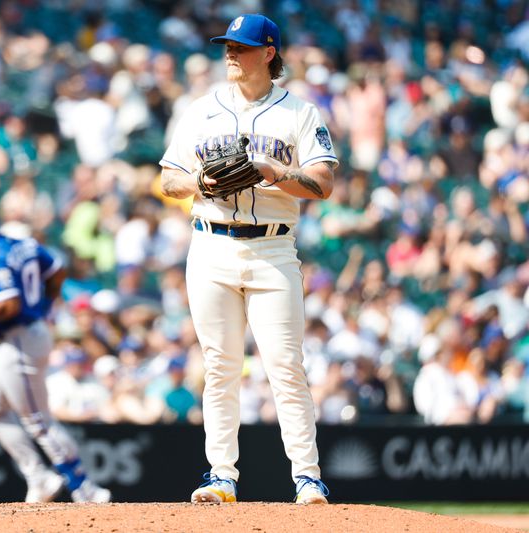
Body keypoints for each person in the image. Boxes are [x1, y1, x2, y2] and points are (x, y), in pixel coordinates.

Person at [159, 14, 338, 505]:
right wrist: (200, 183)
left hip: (273, 247)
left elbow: (323, 183)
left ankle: (307, 477)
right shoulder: (201, 109)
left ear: (269, 53)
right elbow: (168, 179)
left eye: (241, 45)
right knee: (220, 366)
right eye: (227, 45)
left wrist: (272, 171)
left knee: (285, 365)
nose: (231, 53)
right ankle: (221, 477)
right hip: (210, 244)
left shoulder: (300, 112)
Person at [0, 197, 111, 504]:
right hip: (24, 336)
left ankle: (85, 488)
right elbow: (57, 271)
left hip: (17, 341)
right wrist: (43, 304)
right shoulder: (22, 245)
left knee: (38, 421)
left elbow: (9, 304)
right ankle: (39, 477)